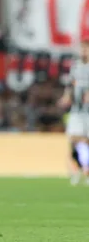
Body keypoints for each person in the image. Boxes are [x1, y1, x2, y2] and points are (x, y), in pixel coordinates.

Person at [58, 37, 89, 186]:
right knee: (74, 139)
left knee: (87, 141)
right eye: (82, 48)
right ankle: (78, 169)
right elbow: (70, 85)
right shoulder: (75, 67)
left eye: (86, 48)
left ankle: (86, 171)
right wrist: (66, 97)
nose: (83, 51)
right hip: (77, 110)